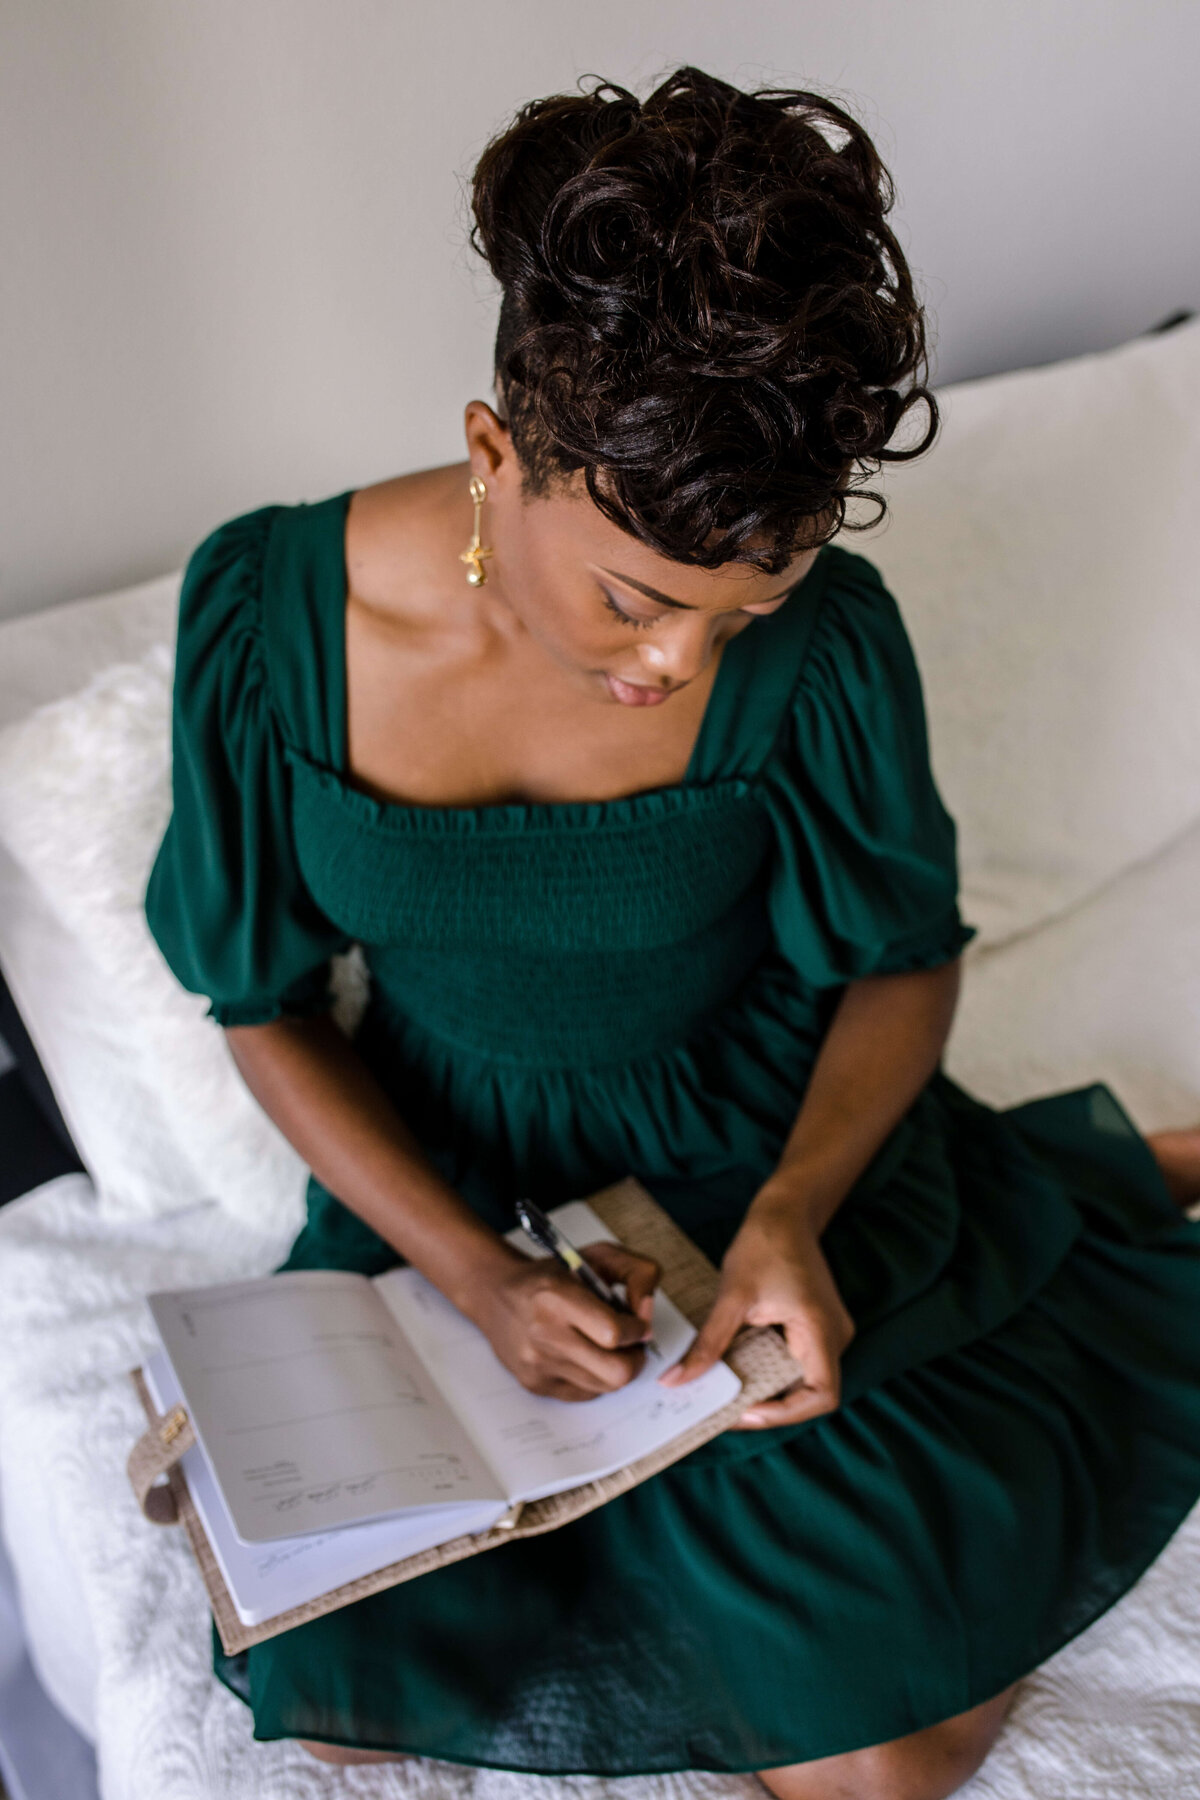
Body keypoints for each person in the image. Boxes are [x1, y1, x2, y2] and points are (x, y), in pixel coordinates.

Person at [143, 67, 1200, 1800]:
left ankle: (1075, 1187)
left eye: (747, 611)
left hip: (743, 1143)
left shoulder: (833, 639)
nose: (677, 668)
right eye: (639, 600)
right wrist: (476, 1278)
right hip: (439, 1174)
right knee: (340, 1676)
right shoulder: (265, 619)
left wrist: (790, 1213)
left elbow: (900, 952)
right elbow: (258, 1002)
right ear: (499, 455)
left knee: (877, 1767)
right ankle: (1094, 1170)